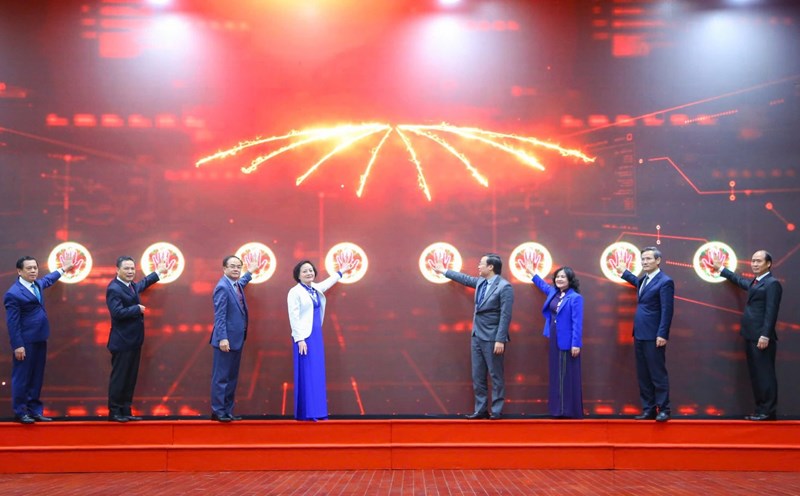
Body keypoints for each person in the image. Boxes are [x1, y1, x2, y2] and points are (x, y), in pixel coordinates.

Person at [431, 253, 514, 420]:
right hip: (476, 335)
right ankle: (481, 409)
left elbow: (505, 315)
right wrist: (444, 271)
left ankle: (496, 410)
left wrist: (500, 339)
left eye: (481, 263)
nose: (478, 266)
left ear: (491, 267)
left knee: (495, 375)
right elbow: (465, 279)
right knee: (478, 374)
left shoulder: (505, 287)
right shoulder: (481, 282)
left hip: (492, 337)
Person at [712, 250, 782, 421]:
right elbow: (740, 281)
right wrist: (722, 269)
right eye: (753, 261)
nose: (755, 264)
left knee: (765, 374)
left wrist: (765, 335)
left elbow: (771, 312)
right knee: (756, 374)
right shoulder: (756, 282)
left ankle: (768, 411)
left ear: (768, 264)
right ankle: (760, 410)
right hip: (750, 335)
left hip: (761, 337)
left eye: (759, 261)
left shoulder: (772, 283)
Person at [4, 255, 74, 424]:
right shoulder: (13, 294)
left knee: (36, 376)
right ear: (20, 271)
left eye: (35, 268)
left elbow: (48, 280)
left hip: (40, 338)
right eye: (29, 268)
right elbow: (12, 323)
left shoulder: (36, 285)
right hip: (25, 342)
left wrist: (63, 269)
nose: (33, 271)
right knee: (22, 377)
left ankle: (34, 410)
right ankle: (20, 412)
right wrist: (18, 345)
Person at [287, 258, 357, 421]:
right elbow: (294, 317)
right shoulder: (294, 292)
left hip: (316, 336)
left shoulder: (314, 289)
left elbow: (327, 283)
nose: (308, 273)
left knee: (316, 373)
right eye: (304, 271)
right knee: (307, 373)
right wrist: (300, 339)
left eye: (311, 270)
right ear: (298, 275)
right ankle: (307, 413)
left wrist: (341, 272)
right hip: (304, 337)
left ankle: (317, 411)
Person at [614, 246, 674, 422]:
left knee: (657, 373)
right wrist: (624, 272)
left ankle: (664, 409)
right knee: (643, 374)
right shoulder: (645, 280)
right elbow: (637, 282)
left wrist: (662, 334)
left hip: (654, 335)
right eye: (643, 259)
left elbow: (667, 310)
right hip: (639, 334)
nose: (645, 262)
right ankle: (649, 409)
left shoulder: (665, 281)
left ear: (658, 260)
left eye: (648, 259)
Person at [105, 256, 168, 422]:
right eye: (126, 269)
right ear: (117, 270)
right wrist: (136, 309)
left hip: (134, 340)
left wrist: (157, 273)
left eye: (132, 269)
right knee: (120, 378)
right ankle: (115, 411)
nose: (130, 272)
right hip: (121, 341)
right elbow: (116, 313)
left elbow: (141, 284)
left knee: (130, 377)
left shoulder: (131, 285)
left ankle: (126, 409)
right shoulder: (114, 288)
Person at [525, 263, 584, 419]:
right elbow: (543, 286)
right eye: (557, 276)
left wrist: (575, 344)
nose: (559, 279)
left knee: (566, 376)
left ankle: (567, 410)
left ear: (570, 280)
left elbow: (577, 323)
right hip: (554, 340)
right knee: (556, 375)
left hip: (567, 342)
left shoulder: (576, 298)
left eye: (563, 276)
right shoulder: (553, 293)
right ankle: (557, 409)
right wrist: (533, 274)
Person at [209, 254, 258, 422]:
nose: (236, 269)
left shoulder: (235, 285)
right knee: (221, 377)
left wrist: (249, 272)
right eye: (232, 266)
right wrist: (223, 338)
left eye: (239, 266)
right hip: (226, 341)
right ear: (224, 268)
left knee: (231, 377)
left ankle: (227, 411)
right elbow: (220, 316)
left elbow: (242, 283)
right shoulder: (222, 287)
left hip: (237, 340)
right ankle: (218, 411)